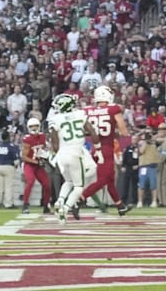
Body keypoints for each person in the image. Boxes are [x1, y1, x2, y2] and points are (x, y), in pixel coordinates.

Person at [80, 85, 131, 215]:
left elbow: (85, 131)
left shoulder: (86, 110)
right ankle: (80, 199)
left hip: (94, 148)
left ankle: (120, 206)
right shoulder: (113, 109)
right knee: (103, 180)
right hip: (106, 148)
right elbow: (124, 132)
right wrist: (118, 131)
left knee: (109, 179)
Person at [47, 94, 97, 222]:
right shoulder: (80, 114)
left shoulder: (55, 119)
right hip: (75, 152)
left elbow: (54, 141)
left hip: (62, 154)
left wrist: (57, 156)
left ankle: (60, 201)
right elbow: (91, 131)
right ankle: (65, 208)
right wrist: (98, 147)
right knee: (78, 186)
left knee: (68, 181)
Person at [20, 118, 52, 214]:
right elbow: (24, 157)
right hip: (29, 164)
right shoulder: (27, 139)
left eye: (36, 126)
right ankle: (25, 205)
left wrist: (45, 156)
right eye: (32, 126)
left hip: (38, 164)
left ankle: (46, 206)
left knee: (47, 185)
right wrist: (36, 162)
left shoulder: (42, 137)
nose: (34, 128)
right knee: (30, 182)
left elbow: (45, 148)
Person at [0, 131, 19, 209]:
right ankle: (8, 204)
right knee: (8, 186)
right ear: (8, 137)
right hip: (8, 166)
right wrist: (16, 166)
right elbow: (15, 159)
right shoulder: (11, 147)